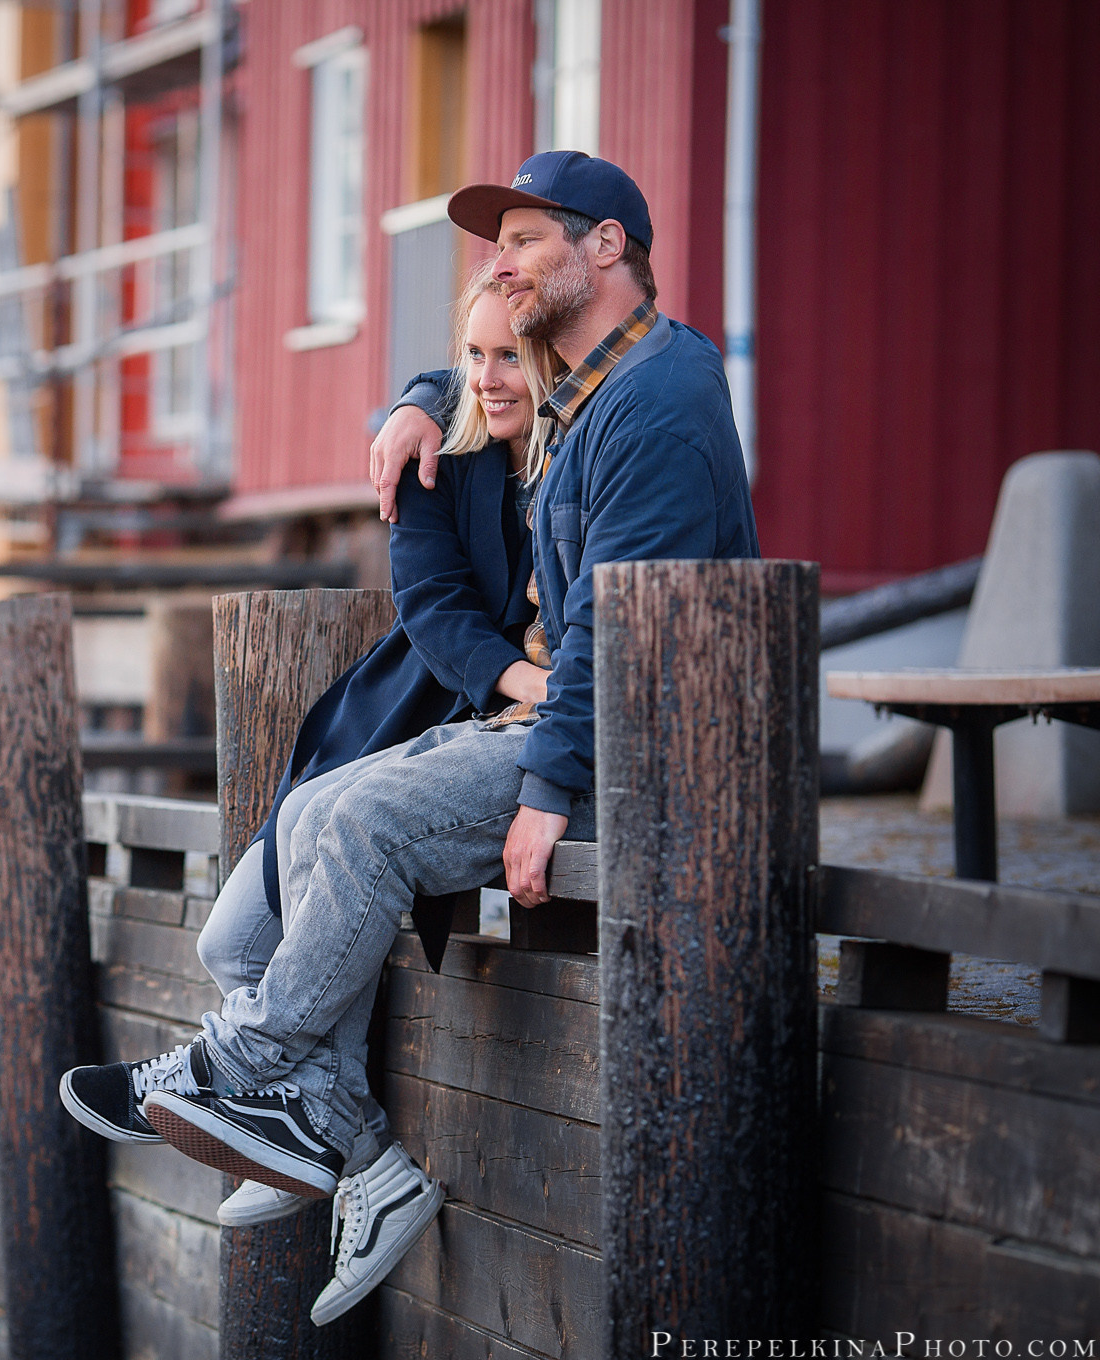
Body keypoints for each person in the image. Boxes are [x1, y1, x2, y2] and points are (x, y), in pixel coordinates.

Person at [60, 150, 761, 1326]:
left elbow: (617, 628)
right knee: (321, 809)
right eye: (499, 245)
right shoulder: (589, 389)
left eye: (527, 239)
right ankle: (324, 1132)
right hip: (559, 720)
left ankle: (235, 1071)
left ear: (605, 248)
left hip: (640, 750)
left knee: (369, 821)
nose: (504, 261)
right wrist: (417, 395)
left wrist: (549, 788)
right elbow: (485, 369)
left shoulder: (656, 400)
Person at [62, 262, 562, 1323]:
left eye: (508, 357)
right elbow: (432, 603)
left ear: (551, 355)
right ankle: (348, 1154)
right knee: (232, 942)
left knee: (331, 862)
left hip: (492, 746)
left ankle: (231, 1076)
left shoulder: (577, 455)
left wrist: (539, 705)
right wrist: (421, 400)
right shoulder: (440, 449)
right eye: (472, 357)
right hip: (421, 709)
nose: (486, 377)